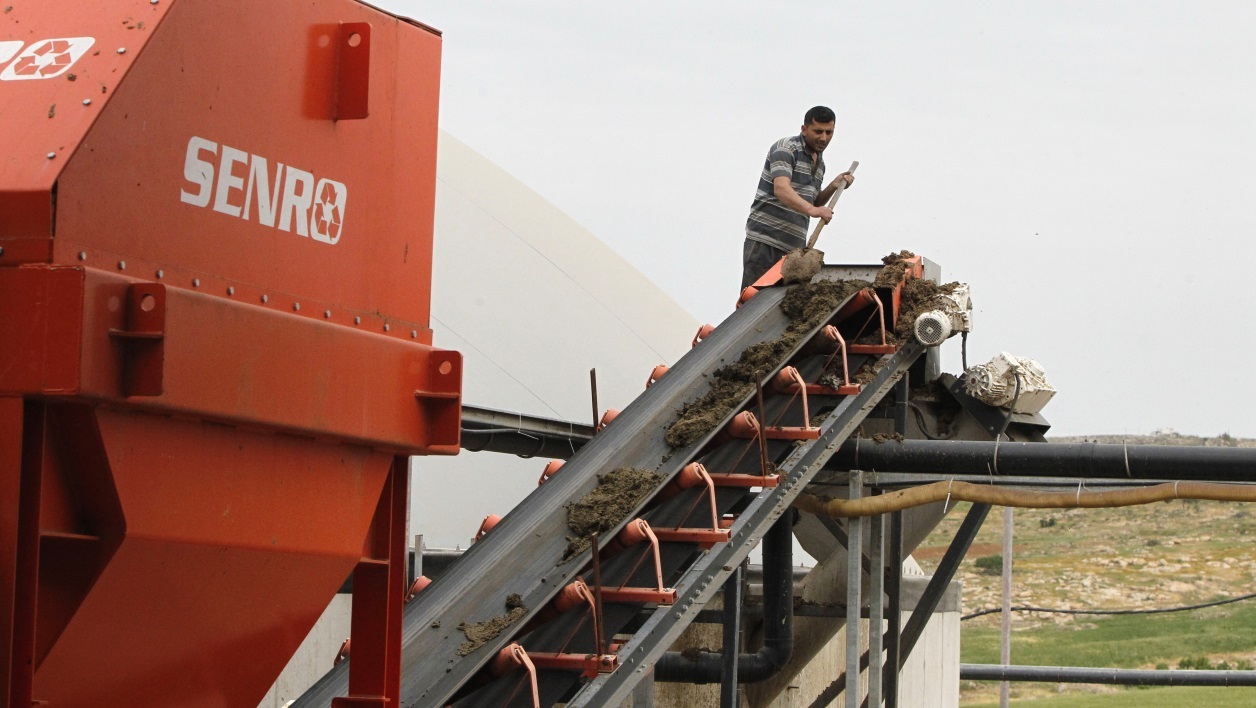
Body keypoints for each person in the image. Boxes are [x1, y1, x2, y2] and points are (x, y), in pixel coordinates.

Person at [741, 106, 855, 289]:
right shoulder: (786, 148)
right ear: (804, 129)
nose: (823, 138)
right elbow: (782, 189)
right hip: (766, 241)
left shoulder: (819, 163)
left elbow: (812, 202)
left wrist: (834, 185)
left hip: (793, 252)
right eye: (818, 131)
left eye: (829, 132)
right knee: (752, 301)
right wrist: (814, 210)